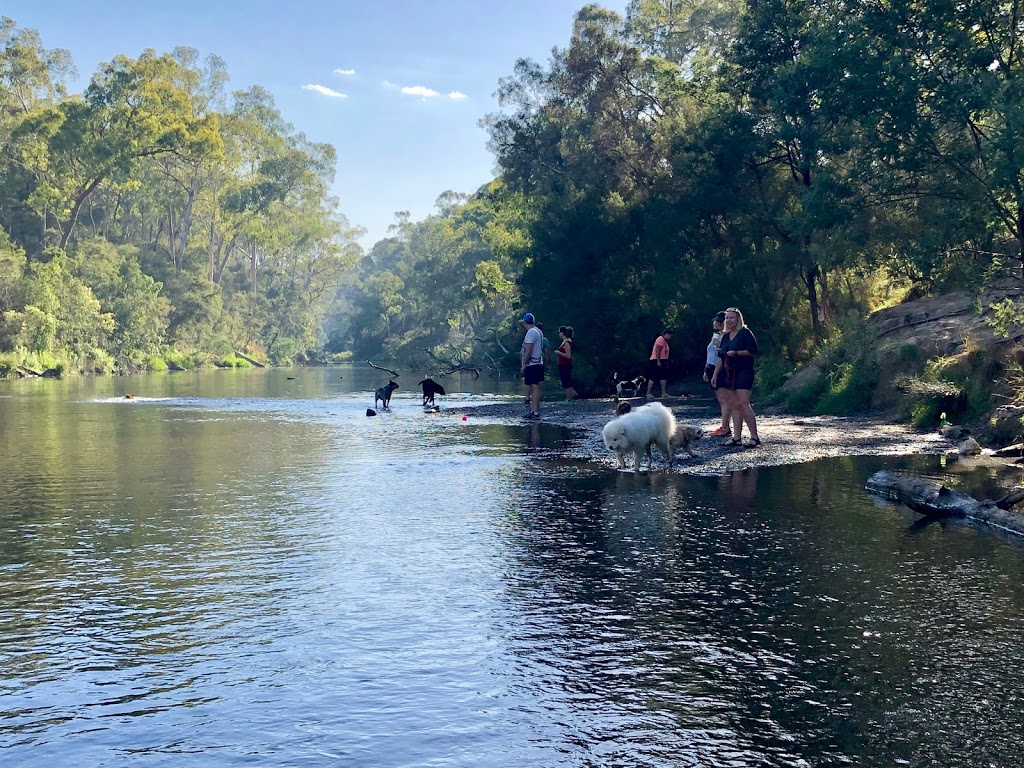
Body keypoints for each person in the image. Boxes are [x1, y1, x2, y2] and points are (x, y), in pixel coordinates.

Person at [711, 307, 760, 447]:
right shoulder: (725, 336)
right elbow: (721, 357)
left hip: (744, 371)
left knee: (744, 404)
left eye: (732, 317)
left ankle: (754, 437)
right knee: (733, 405)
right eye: (727, 318)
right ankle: (736, 438)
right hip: (729, 373)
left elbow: (753, 351)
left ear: (738, 319)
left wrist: (737, 353)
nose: (729, 320)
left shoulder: (745, 333)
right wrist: (715, 375)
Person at [703, 311, 732, 437]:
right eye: (718, 321)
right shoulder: (716, 335)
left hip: (720, 369)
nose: (719, 323)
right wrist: (705, 370)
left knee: (724, 400)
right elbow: (710, 354)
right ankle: (725, 426)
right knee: (721, 400)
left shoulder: (727, 336)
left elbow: (725, 352)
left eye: (722, 321)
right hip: (711, 368)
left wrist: (718, 343)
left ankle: (725, 427)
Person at [520, 313, 544, 420]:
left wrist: (524, 364)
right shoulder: (538, 331)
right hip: (538, 362)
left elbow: (528, 349)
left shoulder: (531, 333)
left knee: (534, 386)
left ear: (525, 323)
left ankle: (534, 412)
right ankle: (534, 411)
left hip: (532, 364)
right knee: (534, 386)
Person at [645, 329, 673, 400]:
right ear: (666, 334)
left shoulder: (665, 341)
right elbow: (657, 350)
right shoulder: (660, 339)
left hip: (663, 360)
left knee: (663, 376)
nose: (670, 337)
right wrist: (658, 360)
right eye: (669, 335)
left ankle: (664, 392)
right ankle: (648, 393)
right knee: (653, 376)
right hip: (656, 360)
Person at [556, 325, 577, 401]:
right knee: (565, 381)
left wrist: (559, 352)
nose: (559, 334)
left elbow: (568, 355)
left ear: (562, 333)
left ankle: (570, 398)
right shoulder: (565, 342)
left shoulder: (567, 343)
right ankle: (570, 397)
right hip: (563, 364)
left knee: (566, 381)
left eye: (559, 332)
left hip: (565, 364)